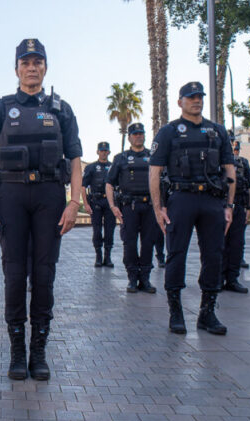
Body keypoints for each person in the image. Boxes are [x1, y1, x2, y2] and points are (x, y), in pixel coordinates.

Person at [0, 38, 83, 381]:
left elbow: (76, 159)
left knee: (44, 274)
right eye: (26, 62)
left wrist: (74, 202)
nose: (32, 67)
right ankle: (17, 351)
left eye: (38, 61)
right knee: (14, 273)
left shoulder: (61, 109)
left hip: (50, 196)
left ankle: (39, 351)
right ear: (17, 68)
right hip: (11, 195)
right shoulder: (1, 108)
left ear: (46, 67)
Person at [150, 81, 235, 336]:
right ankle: (176, 312)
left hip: (212, 199)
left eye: (199, 97)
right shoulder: (169, 132)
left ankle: (207, 312)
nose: (196, 101)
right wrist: (158, 207)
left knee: (214, 255)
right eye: (191, 97)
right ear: (180, 102)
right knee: (176, 254)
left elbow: (229, 169)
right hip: (181, 198)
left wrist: (229, 205)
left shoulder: (218, 131)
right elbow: (155, 172)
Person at [107, 124, 160, 294]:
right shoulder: (120, 158)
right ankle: (132, 278)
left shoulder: (153, 156)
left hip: (150, 206)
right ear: (129, 137)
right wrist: (112, 206)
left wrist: (161, 207)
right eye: (135, 134)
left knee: (148, 243)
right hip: (129, 207)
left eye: (141, 134)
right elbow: (109, 183)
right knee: (129, 243)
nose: (138, 136)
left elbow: (161, 182)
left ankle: (144, 278)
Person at [221, 137, 250, 293]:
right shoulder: (214, 158)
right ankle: (218, 279)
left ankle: (232, 279)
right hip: (219, 205)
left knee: (237, 244)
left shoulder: (242, 162)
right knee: (219, 244)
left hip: (239, 205)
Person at [82, 142, 116, 268]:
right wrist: (86, 204)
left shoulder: (113, 166)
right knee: (97, 230)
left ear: (109, 152)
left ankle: (108, 257)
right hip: (95, 201)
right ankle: (98, 256)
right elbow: (83, 186)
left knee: (109, 230)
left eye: (106, 150)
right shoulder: (91, 167)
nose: (103, 152)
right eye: (101, 150)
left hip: (109, 202)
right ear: (97, 152)